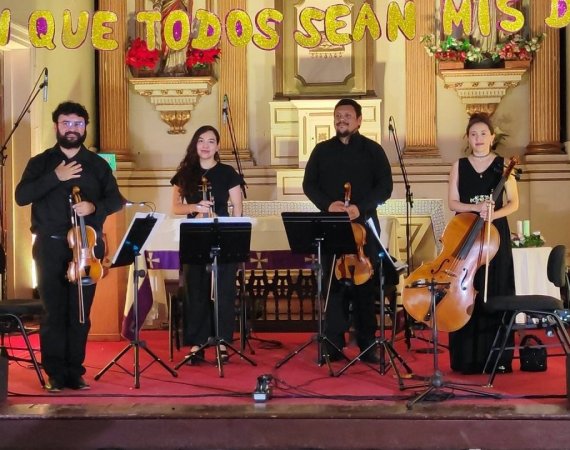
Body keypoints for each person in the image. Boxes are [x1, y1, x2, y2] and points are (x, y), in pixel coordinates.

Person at [15, 101, 124, 392]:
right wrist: (56, 177)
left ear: (85, 127)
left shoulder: (97, 165)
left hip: (86, 250)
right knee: (52, 312)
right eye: (66, 123)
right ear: (56, 126)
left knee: (80, 313)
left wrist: (94, 207)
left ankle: (75, 372)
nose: (72, 129)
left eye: (78, 123)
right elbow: (22, 196)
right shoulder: (41, 163)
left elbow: (116, 200)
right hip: (50, 247)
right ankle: (54, 373)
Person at [302, 98, 393, 363]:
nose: (342, 119)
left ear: (359, 120)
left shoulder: (373, 151)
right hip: (332, 225)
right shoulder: (321, 151)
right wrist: (327, 204)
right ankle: (333, 342)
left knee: (365, 285)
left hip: (364, 226)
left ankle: (367, 342)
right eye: (338, 115)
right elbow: (309, 184)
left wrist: (360, 208)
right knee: (333, 285)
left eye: (347, 116)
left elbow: (385, 187)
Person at [447, 112, 519, 374]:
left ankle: (497, 358)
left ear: (492, 137)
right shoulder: (459, 165)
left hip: (494, 235)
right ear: (468, 138)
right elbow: (452, 202)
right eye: (473, 134)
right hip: (466, 231)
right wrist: (476, 208)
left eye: (483, 134)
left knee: (496, 288)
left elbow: (513, 203)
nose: (478, 138)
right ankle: (466, 358)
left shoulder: (504, 165)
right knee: (466, 288)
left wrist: (493, 214)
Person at [170, 125, 243, 364]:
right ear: (195, 144)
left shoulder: (228, 172)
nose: (205, 145)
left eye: (211, 141)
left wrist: (232, 231)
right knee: (195, 289)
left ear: (217, 146)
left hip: (221, 233)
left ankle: (222, 341)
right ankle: (197, 343)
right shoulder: (185, 173)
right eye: (201, 140)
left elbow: (237, 207)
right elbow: (176, 207)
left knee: (223, 289)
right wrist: (194, 207)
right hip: (195, 234)